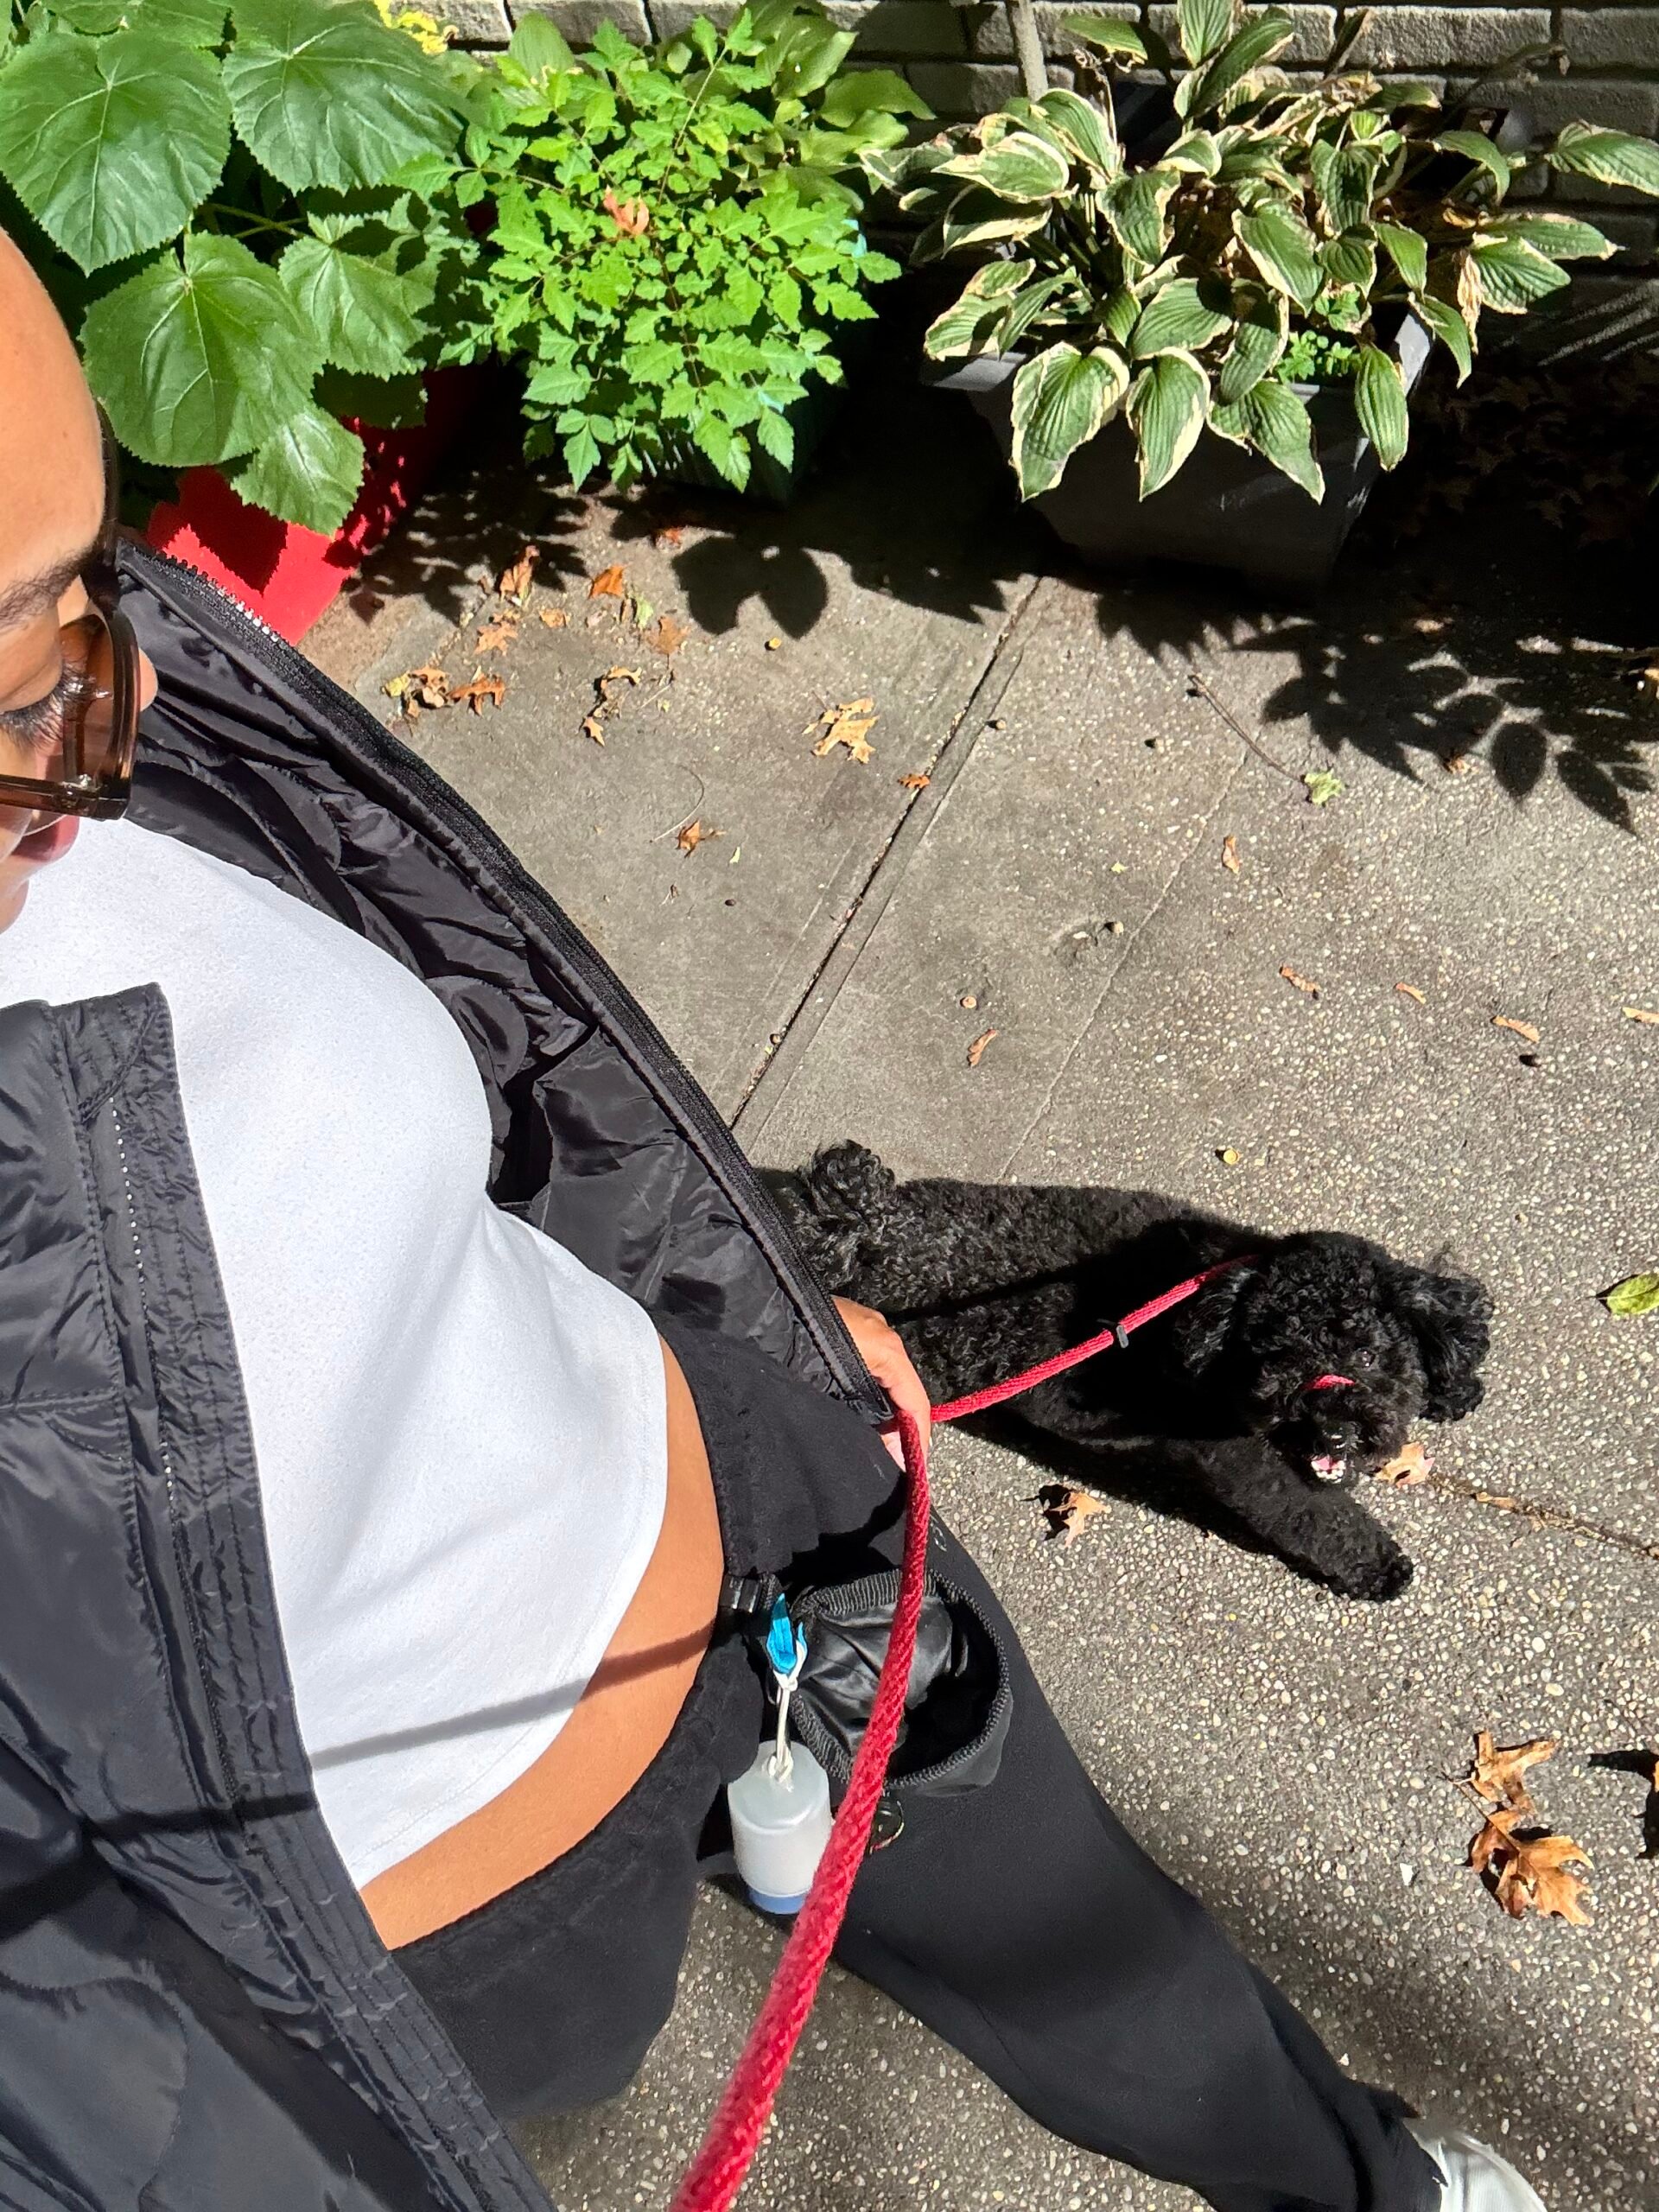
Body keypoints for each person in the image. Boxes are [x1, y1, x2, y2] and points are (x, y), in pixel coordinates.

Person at [0, 225, 1544, 2212]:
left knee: (1132, 1978)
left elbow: (439, 1151)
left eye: (94, 588)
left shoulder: (105, 740)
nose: (115, 715)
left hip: (775, 1507)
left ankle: (1371, 2187)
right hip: (452, 1927)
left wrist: (754, 1312)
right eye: (24, 659)